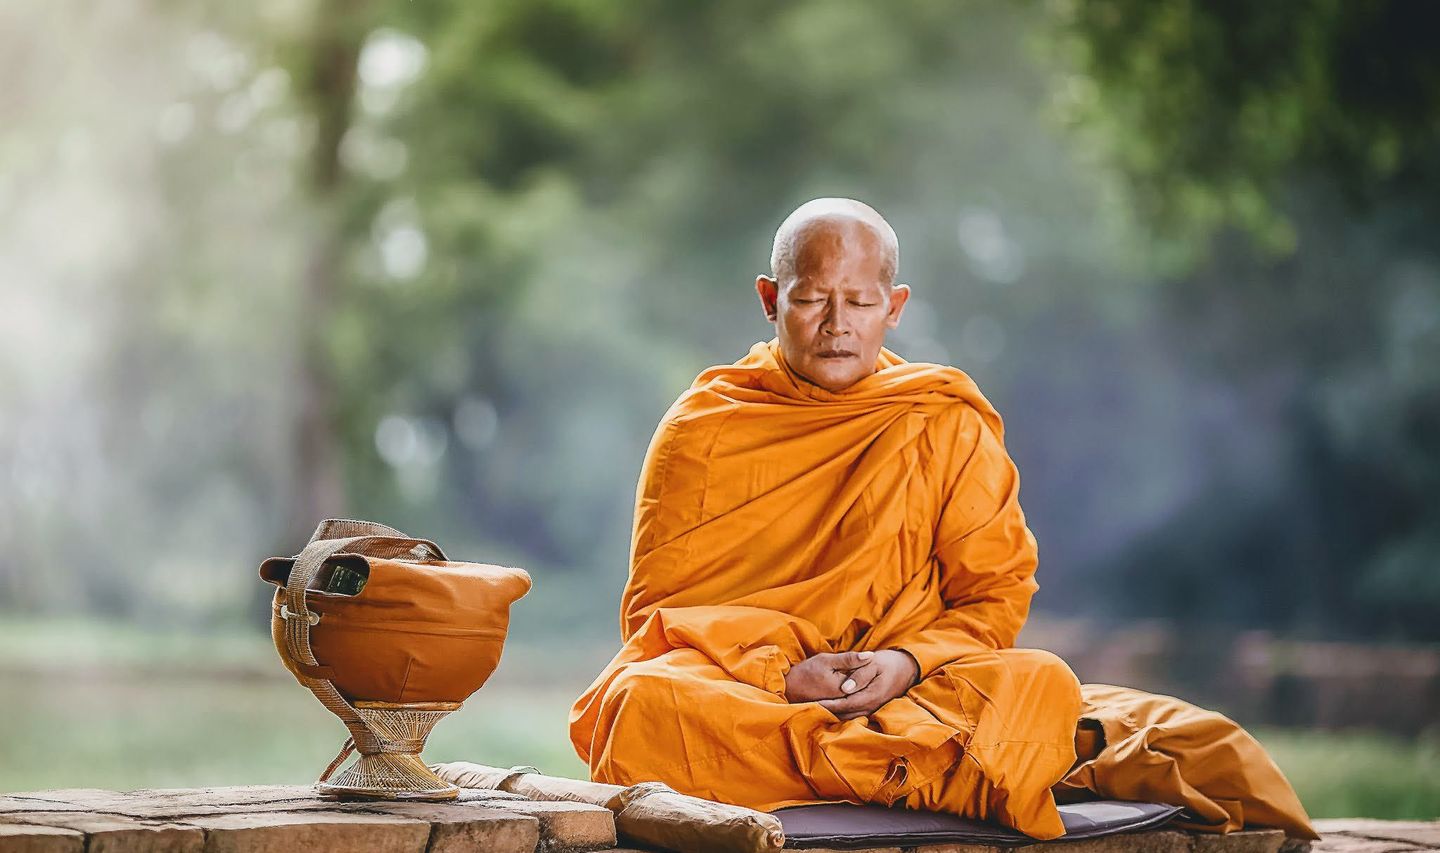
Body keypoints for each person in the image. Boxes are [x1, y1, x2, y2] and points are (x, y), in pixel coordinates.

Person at [568, 198, 1316, 841]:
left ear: (894, 308)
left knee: (1039, 681)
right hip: (759, 690)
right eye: (811, 298)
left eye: (860, 303)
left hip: (909, 688)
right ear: (770, 298)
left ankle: (861, 761)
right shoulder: (707, 424)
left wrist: (905, 663)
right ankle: (926, 769)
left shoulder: (938, 418)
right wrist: (784, 675)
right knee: (644, 705)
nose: (837, 324)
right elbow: (657, 616)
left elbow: (993, 598)